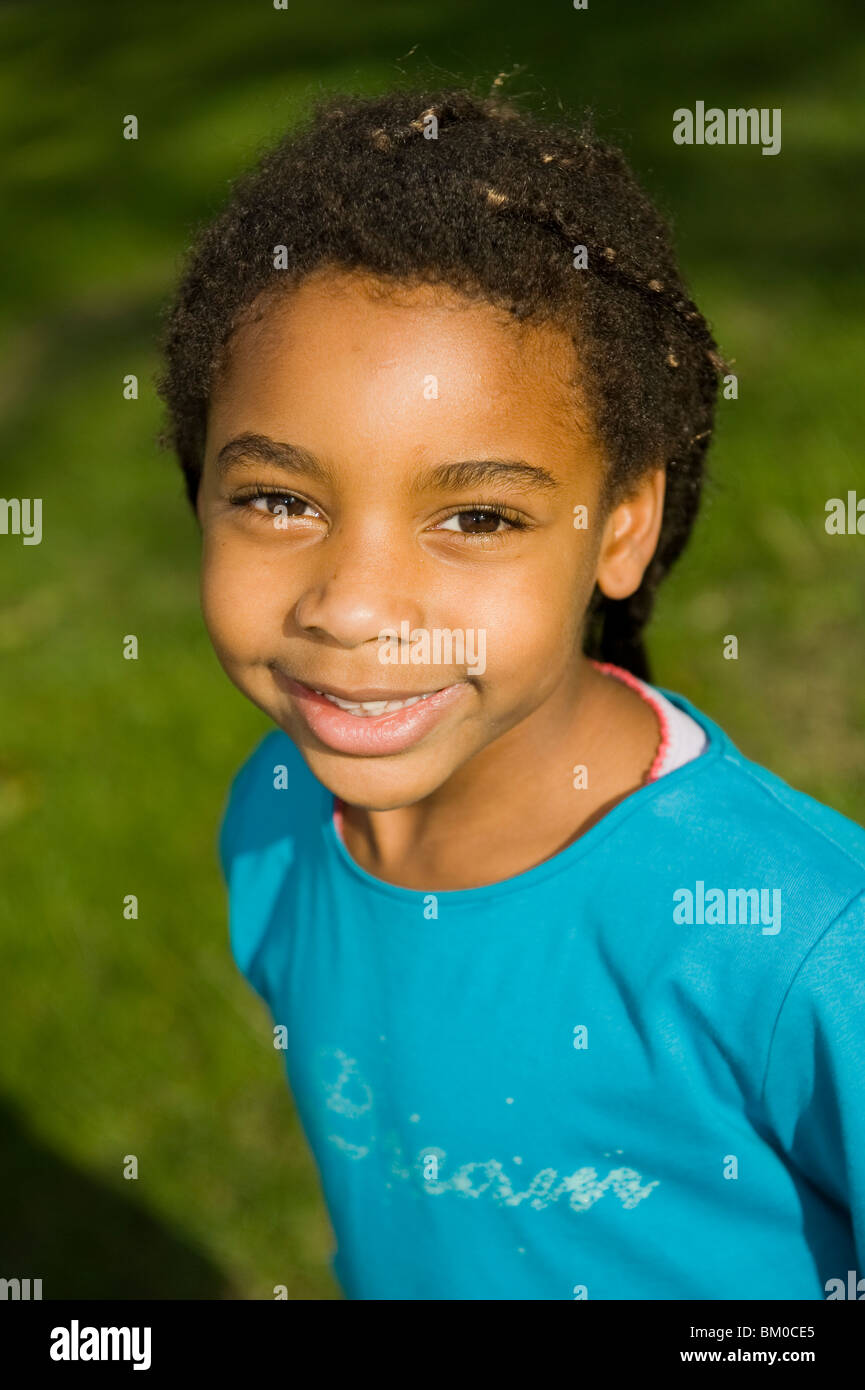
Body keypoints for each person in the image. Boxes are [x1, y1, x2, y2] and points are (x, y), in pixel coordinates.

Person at [157, 85, 865, 1299]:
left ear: (621, 527)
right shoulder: (274, 817)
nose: (354, 605)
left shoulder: (799, 942)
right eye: (280, 500)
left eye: (477, 516)